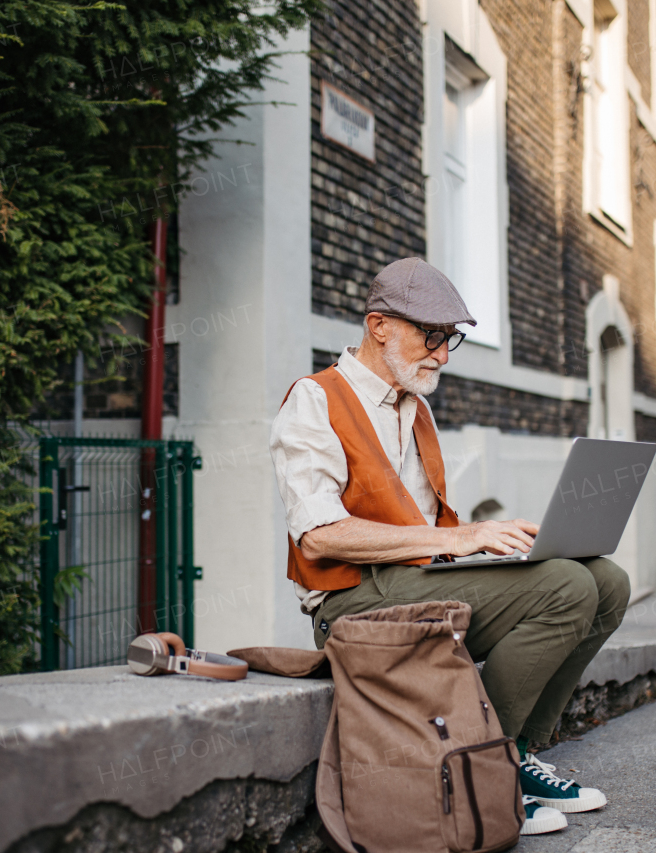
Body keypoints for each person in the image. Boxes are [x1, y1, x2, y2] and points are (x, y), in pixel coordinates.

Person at [269, 257, 631, 836]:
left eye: (450, 340)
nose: (441, 354)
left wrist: (498, 548)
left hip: (415, 581)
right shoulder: (315, 400)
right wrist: (458, 539)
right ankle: (485, 768)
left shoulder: (417, 408)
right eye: (430, 336)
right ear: (379, 325)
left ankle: (520, 755)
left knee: (607, 582)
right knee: (563, 587)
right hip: (351, 605)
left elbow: (427, 535)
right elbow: (319, 534)